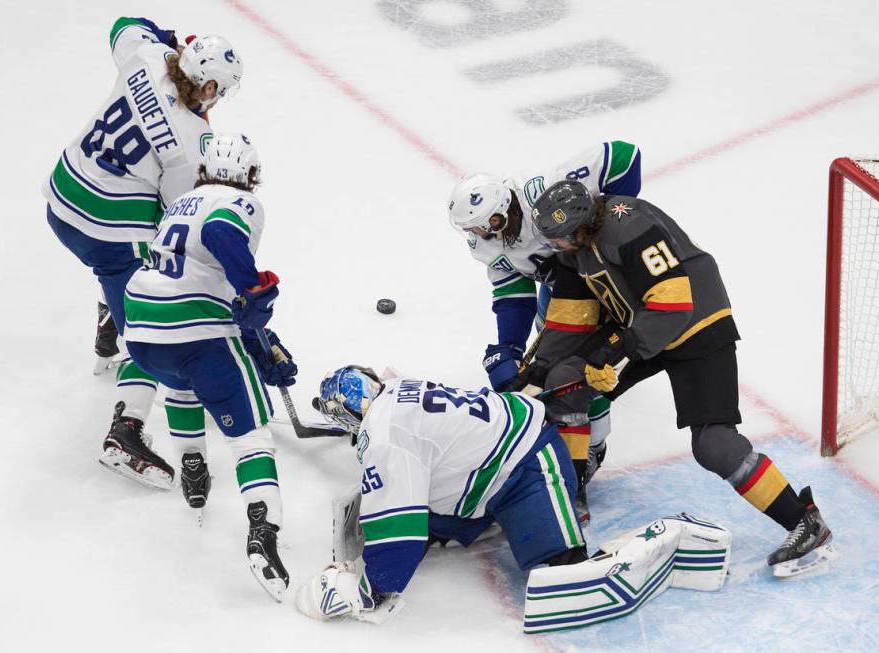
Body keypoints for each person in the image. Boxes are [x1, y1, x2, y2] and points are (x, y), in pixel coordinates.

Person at [517, 180, 835, 577]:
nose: (558, 248)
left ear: (580, 227)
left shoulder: (627, 225)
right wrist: (535, 373)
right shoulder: (575, 247)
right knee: (566, 378)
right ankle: (570, 491)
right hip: (644, 324)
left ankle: (804, 521)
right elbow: (569, 320)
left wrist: (612, 354)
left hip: (697, 325)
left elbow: (671, 303)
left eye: (561, 239)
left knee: (714, 445)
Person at [43, 16, 243, 487]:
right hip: (101, 231)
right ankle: (124, 431)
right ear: (210, 84)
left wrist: (167, 38)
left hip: (61, 194)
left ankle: (109, 320)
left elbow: (124, 24)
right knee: (155, 317)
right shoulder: (194, 142)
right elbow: (179, 219)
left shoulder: (148, 55)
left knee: (134, 256)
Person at [123, 132, 296, 600]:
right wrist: (254, 289)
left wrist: (261, 337)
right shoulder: (238, 202)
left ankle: (193, 469)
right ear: (251, 176)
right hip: (194, 329)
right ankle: (263, 530)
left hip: (141, 327)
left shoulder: (182, 202)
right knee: (250, 434)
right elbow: (222, 236)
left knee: (182, 384)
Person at [294, 366, 588, 622]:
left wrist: (372, 589)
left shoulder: (385, 437)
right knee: (430, 491)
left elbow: (400, 532)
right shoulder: (397, 387)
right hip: (493, 459)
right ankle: (478, 521)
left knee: (561, 569)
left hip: (531, 460)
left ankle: (568, 559)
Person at [446, 141, 642, 521]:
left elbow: (622, 155)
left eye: (489, 224)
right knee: (544, 378)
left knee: (578, 376)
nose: (484, 235)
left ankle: (589, 454)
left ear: (506, 206)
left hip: (604, 284)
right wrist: (509, 348)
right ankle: (565, 447)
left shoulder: (542, 192)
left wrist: (619, 222)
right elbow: (512, 292)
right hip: (559, 297)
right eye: (474, 229)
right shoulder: (485, 244)